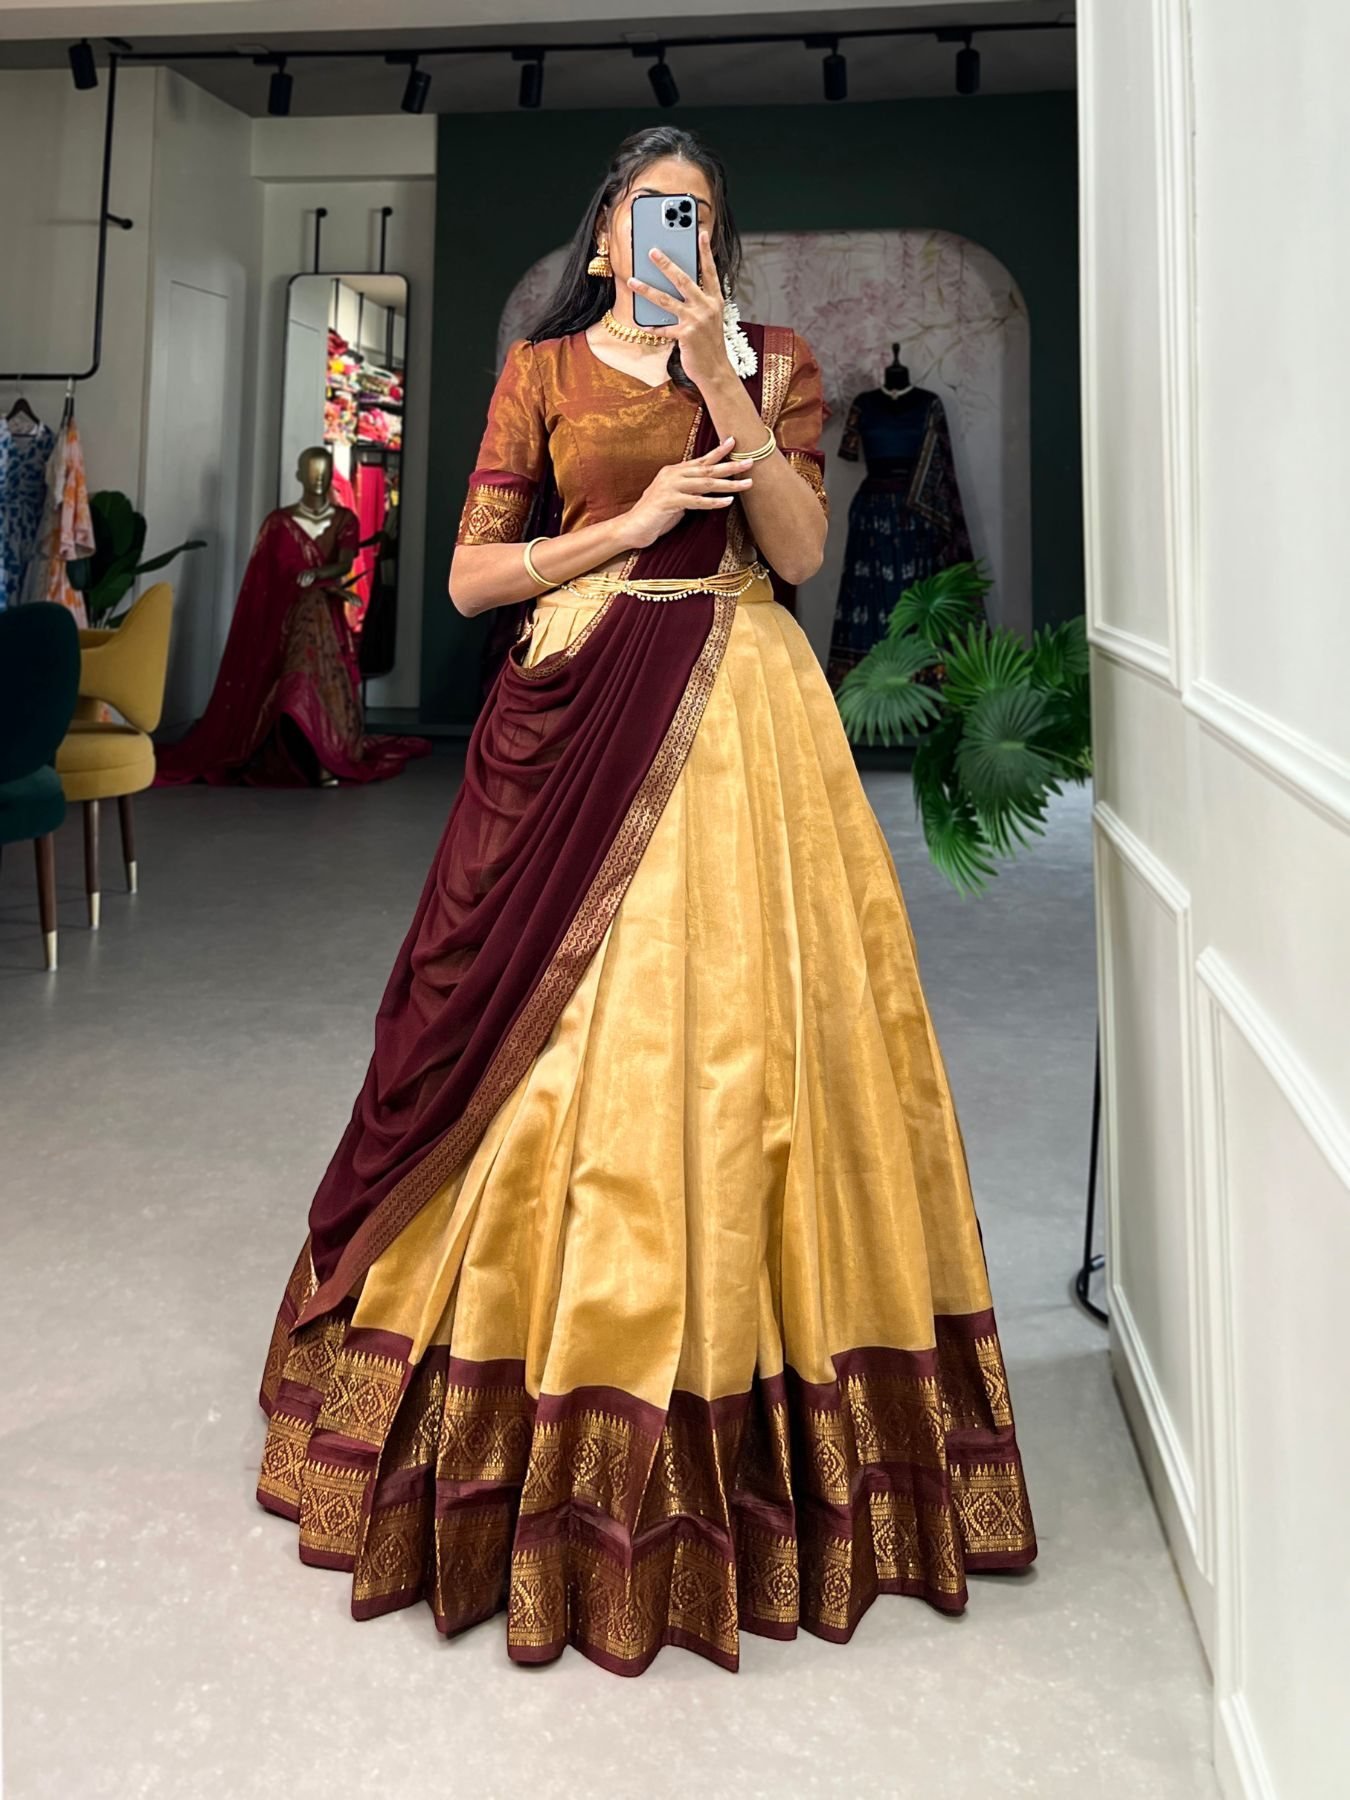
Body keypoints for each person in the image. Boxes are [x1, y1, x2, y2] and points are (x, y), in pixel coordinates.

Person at [255, 127, 1035, 1676]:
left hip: (742, 712)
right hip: (571, 712)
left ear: (711, 242)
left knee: (755, 1047)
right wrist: (628, 520)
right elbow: (472, 577)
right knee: (524, 1042)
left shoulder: (776, 361)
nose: (676, 232)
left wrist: (721, 380)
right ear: (606, 235)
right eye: (649, 211)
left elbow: (797, 551)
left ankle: (752, 1410)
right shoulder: (541, 373)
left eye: (699, 215)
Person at [156, 447, 429, 787]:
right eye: (312, 471)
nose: (319, 478)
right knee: (297, 644)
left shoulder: (344, 519)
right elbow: (263, 580)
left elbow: (344, 564)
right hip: (282, 612)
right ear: (299, 475)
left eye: (324, 471)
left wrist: (317, 575)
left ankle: (321, 747)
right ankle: (293, 743)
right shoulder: (279, 523)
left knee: (311, 642)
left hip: (320, 609)